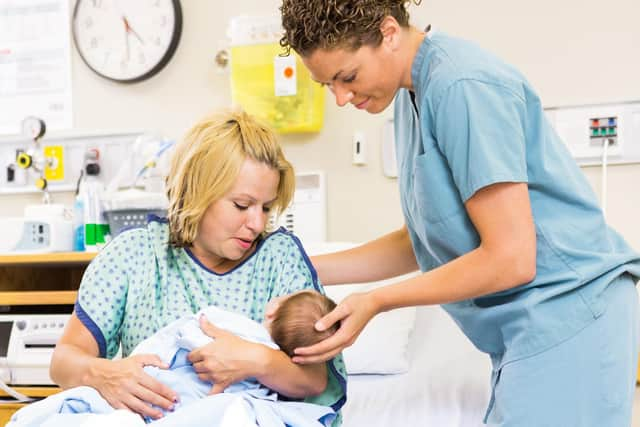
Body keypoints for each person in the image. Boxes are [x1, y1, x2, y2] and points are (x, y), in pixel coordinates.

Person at [278, 1, 640, 426]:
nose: (341, 98)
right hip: (529, 329)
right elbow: (422, 239)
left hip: (569, 315)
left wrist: (377, 301)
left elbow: (512, 258)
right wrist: (297, 265)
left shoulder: (462, 85)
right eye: (327, 86)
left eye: (348, 77)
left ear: (389, 33)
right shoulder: (409, 97)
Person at [49, 110, 347, 425]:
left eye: (267, 207)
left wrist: (257, 359)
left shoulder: (279, 258)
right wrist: (104, 374)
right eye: (242, 206)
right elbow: (64, 362)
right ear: (196, 192)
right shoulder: (134, 255)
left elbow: (314, 382)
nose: (257, 223)